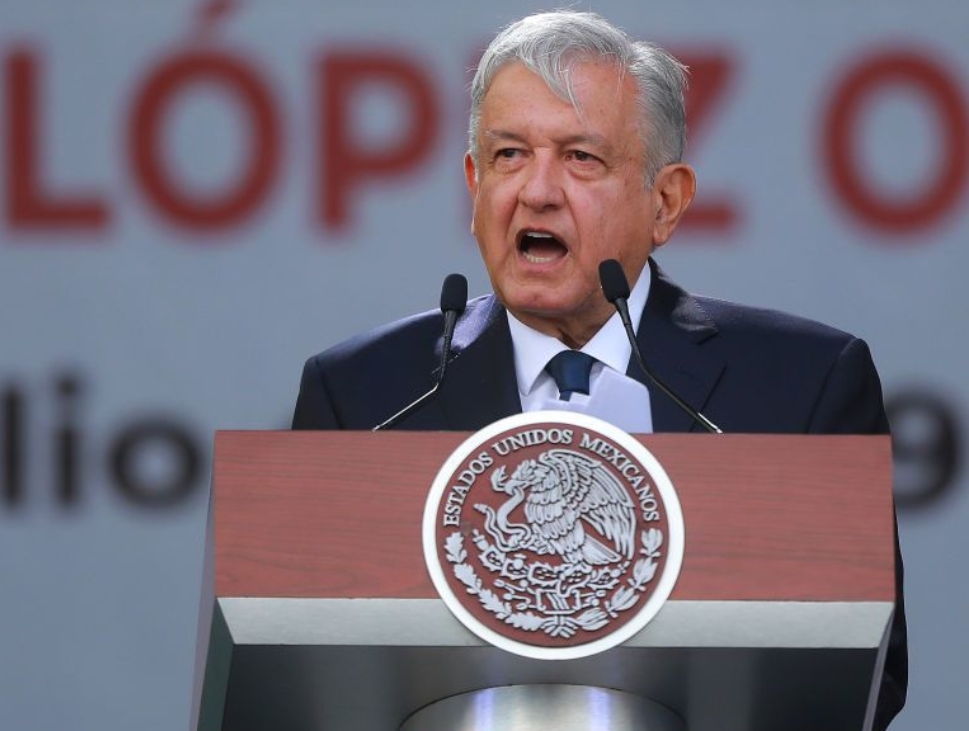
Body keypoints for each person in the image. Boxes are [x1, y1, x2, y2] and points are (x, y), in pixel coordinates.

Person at [291, 9, 906, 729]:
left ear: (666, 201)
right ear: (474, 183)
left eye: (581, 157)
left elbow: (869, 671)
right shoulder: (365, 395)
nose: (538, 190)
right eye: (509, 155)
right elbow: (305, 665)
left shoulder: (805, 386)